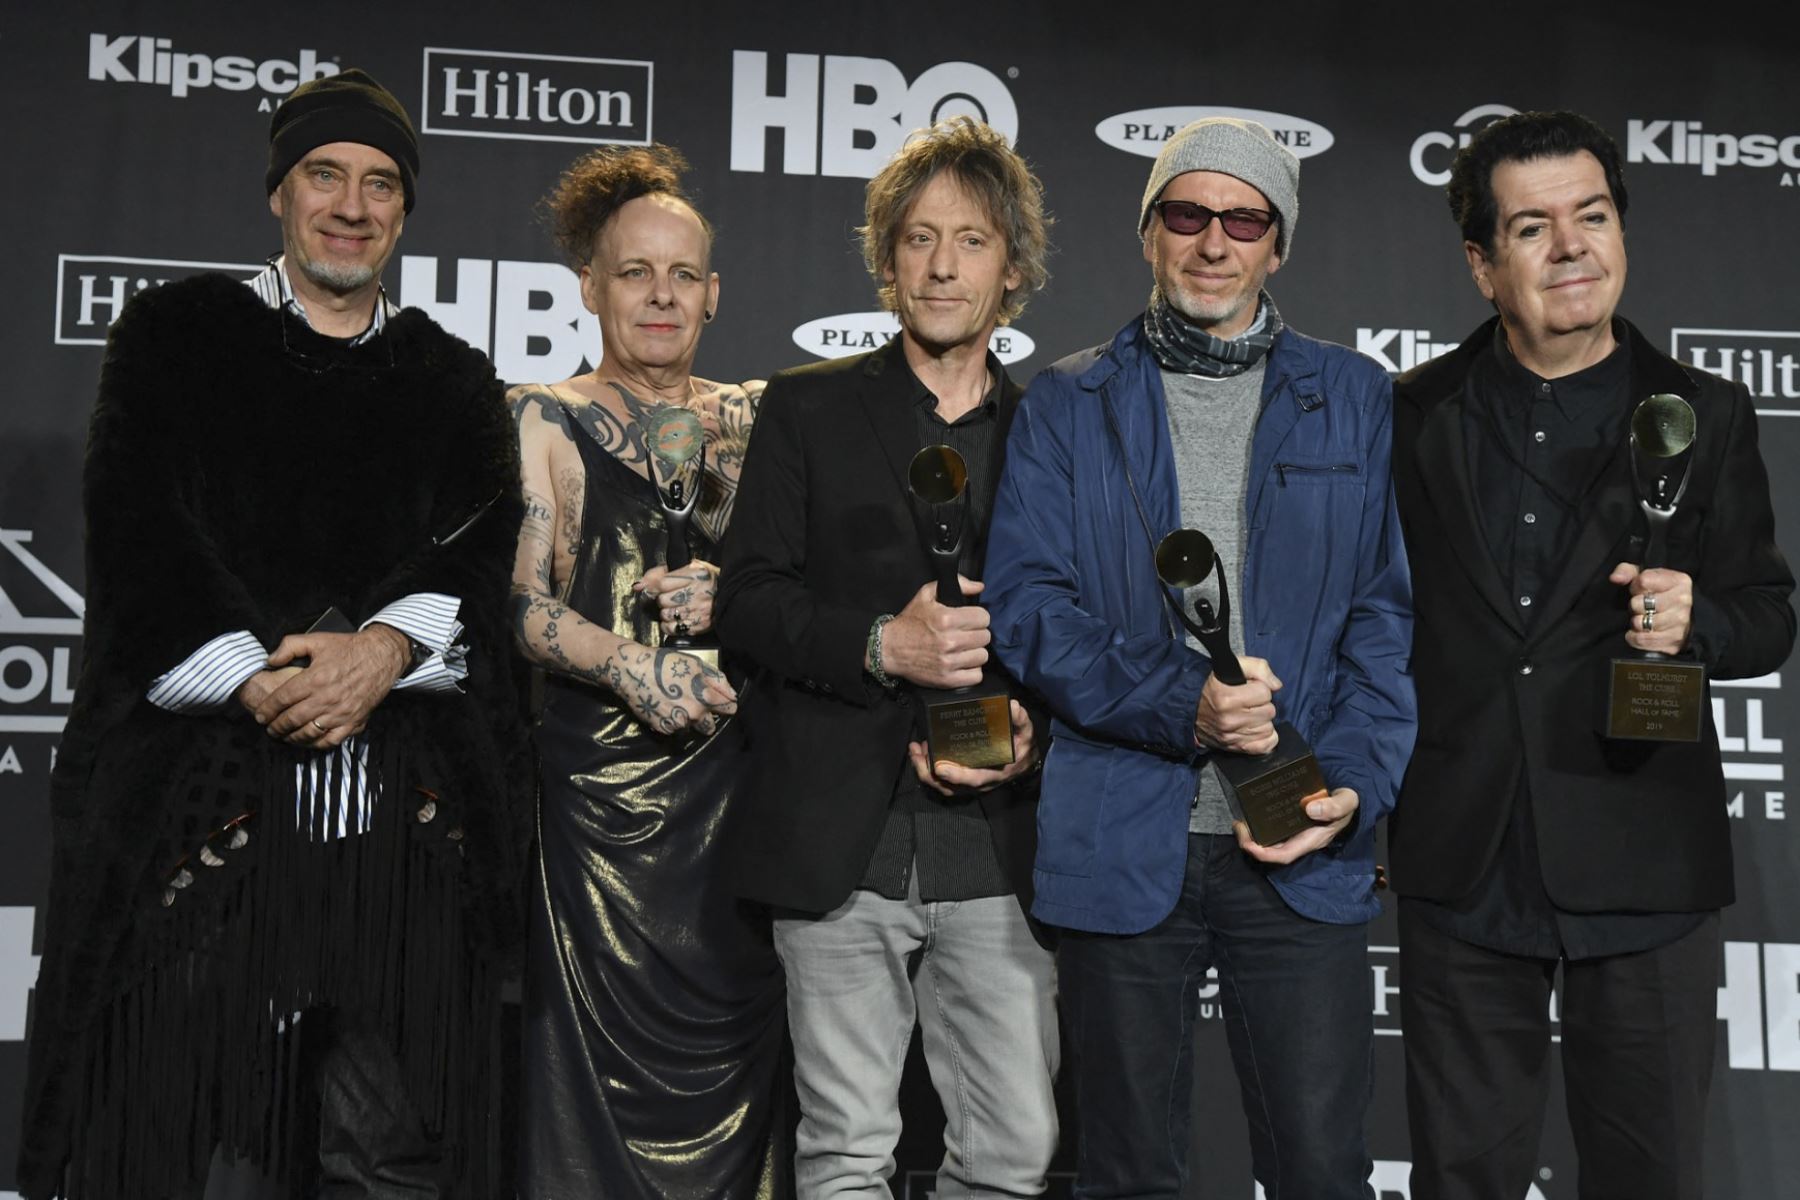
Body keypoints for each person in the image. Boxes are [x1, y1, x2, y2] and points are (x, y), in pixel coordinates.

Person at [17, 70, 530, 1198]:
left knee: (390, 1152)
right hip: (204, 823)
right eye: (324, 176)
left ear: (405, 209)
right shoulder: (177, 335)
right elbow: (138, 520)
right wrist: (263, 681)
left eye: (379, 184)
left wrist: (382, 655)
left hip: (397, 847)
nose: (351, 205)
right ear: (278, 194)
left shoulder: (452, 376)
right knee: (179, 1144)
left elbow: (481, 543)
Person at [983, 117, 1414, 1199]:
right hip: (1125, 843)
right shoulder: (1066, 402)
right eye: (1187, 214)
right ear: (1148, 232)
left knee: (1322, 1171)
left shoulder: (1354, 395)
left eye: (1243, 219)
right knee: (1127, 1174)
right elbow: (1031, 610)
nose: (1213, 242)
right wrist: (1191, 707)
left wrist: (1352, 786)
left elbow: (1380, 621)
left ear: (1278, 244)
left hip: (1299, 843)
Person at [1390, 109, 1796, 1200]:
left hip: (1641, 858)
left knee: (1649, 1175)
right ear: (1483, 264)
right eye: (1532, 228)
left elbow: (1768, 611)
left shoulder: (1705, 413)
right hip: (1464, 854)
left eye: (1594, 215)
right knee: (1461, 1179)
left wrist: (1698, 621)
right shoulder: (1411, 413)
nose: (1573, 247)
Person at [715, 117, 1058, 1198]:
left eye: (970, 240)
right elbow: (748, 602)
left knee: (1011, 1155)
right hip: (837, 845)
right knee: (847, 1153)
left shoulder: (1057, 427)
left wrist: (1032, 736)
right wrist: (880, 644)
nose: (942, 264)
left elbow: (1084, 623)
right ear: (886, 257)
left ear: (1013, 267)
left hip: (1000, 851)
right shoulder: (807, 408)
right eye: (918, 238)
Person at [507, 144, 787, 1198]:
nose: (660, 295)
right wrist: (628, 664)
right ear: (590, 286)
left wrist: (740, 605)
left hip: (745, 818)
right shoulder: (542, 413)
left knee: (749, 1108)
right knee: (579, 1118)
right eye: (634, 272)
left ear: (713, 294)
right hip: (595, 829)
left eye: (681, 274)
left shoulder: (766, 417)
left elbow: (815, 590)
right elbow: (519, 603)